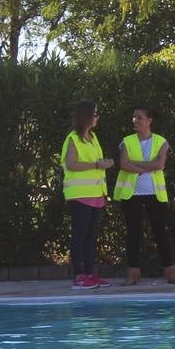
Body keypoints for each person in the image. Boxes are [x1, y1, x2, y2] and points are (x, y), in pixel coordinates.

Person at [114, 106, 175, 285]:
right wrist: (147, 166)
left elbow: (160, 164)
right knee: (133, 233)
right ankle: (133, 273)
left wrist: (136, 164)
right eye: (134, 117)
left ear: (149, 120)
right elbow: (124, 164)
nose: (135, 121)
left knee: (160, 233)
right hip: (132, 194)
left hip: (154, 193)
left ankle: (171, 272)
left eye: (139, 118)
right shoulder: (126, 141)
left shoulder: (161, 141)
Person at [63, 100, 115, 288]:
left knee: (90, 236)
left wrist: (104, 163)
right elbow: (71, 164)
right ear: (86, 116)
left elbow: (96, 162)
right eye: (95, 114)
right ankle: (79, 276)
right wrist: (96, 165)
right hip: (80, 195)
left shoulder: (93, 138)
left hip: (95, 194)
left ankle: (89, 274)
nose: (97, 117)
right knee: (80, 235)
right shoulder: (73, 139)